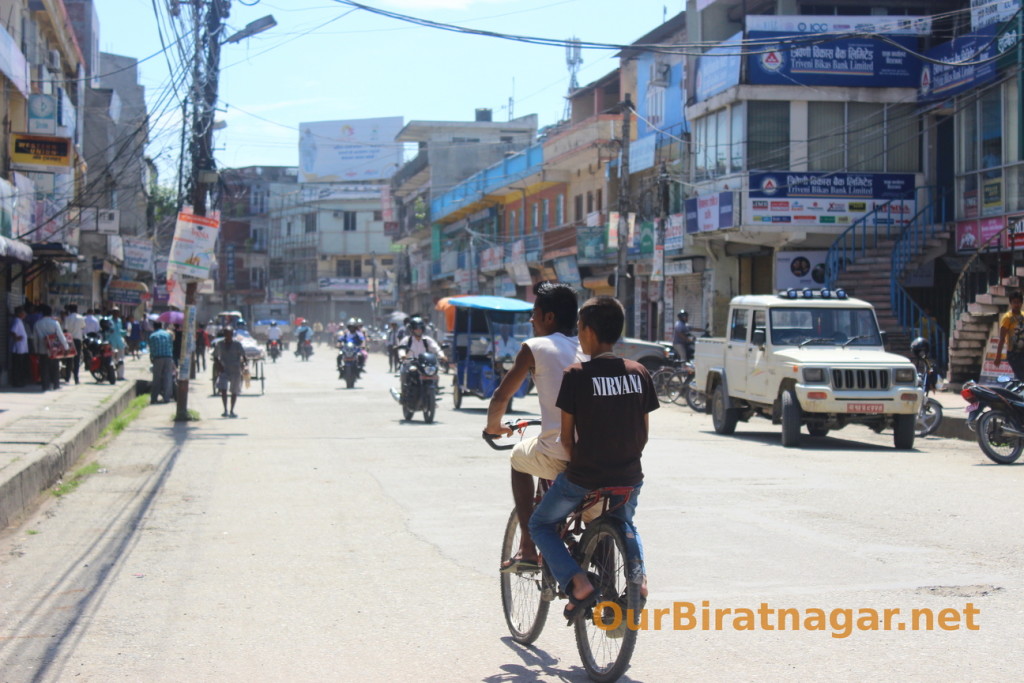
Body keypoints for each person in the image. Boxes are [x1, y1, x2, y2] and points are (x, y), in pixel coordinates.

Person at [529, 296, 658, 624]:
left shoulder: (576, 374)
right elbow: (643, 434)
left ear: (585, 331)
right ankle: (639, 581)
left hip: (584, 476)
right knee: (626, 524)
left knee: (541, 524)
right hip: (629, 475)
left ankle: (578, 582)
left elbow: (567, 438)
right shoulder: (640, 372)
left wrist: (579, 466)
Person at [484, 281, 585, 573]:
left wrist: (494, 428)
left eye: (535, 312)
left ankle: (527, 546)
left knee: (518, 458)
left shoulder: (535, 347)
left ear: (549, 317)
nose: (531, 319)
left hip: (560, 452)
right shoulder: (589, 345)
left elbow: (502, 395)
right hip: (597, 452)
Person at [397, 317, 445, 397]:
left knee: (434, 372)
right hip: (410, 364)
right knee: (405, 373)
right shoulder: (407, 340)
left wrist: (442, 356)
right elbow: (401, 349)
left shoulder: (427, 340)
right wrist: (403, 355)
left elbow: (436, 348)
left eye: (420, 328)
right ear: (412, 329)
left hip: (424, 364)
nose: (418, 330)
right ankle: (405, 394)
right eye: (416, 328)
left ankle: (434, 392)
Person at [212, 326, 247, 417]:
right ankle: (225, 410)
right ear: (224, 334)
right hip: (224, 369)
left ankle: (232, 410)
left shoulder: (237, 344)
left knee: (234, 391)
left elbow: (243, 355)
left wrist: (244, 365)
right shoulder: (220, 344)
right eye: (226, 334)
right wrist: (219, 365)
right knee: (223, 390)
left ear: (232, 334)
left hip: (235, 369)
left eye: (230, 334)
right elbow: (215, 356)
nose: (228, 336)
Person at [34, 304, 69, 391]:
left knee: (43, 368)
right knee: (55, 368)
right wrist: (66, 347)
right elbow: (61, 336)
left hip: (42, 349)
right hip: (54, 350)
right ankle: (56, 385)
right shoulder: (55, 323)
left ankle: (45, 385)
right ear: (51, 313)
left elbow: (35, 339)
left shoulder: (37, 323)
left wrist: (36, 350)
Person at [995, 291, 1024, 380]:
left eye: (1018, 302)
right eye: (1014, 302)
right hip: (1013, 353)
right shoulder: (1007, 318)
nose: (1016, 305)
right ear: (1011, 303)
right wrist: (998, 356)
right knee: (1021, 376)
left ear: (1022, 303)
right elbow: (1002, 338)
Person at [148, 321, 175, 404]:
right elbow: (171, 346)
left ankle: (154, 398)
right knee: (168, 377)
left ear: (154, 327)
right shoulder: (167, 334)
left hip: (158, 357)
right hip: (168, 357)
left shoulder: (152, 336)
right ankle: (167, 398)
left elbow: (152, 349)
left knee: (156, 378)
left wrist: (151, 358)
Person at [63, 304, 86, 384]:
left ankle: (67, 378)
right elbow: (83, 327)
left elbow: (65, 329)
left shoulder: (67, 318)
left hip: (69, 340)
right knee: (77, 359)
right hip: (78, 340)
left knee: (69, 359)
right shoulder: (80, 317)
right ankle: (76, 378)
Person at [9, 306, 30, 387]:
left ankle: (19, 381)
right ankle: (16, 382)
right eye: (23, 313)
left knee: (19, 365)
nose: (25, 315)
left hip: (21, 348)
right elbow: (12, 331)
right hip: (18, 348)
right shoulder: (17, 321)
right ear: (19, 314)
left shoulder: (19, 321)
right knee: (17, 366)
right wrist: (16, 338)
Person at [105, 308, 127, 380]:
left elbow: (119, 331)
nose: (117, 314)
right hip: (111, 343)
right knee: (111, 360)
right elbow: (106, 331)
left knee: (120, 360)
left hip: (119, 343)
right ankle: (110, 375)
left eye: (118, 312)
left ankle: (120, 375)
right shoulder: (108, 320)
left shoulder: (119, 320)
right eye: (115, 312)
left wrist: (125, 332)